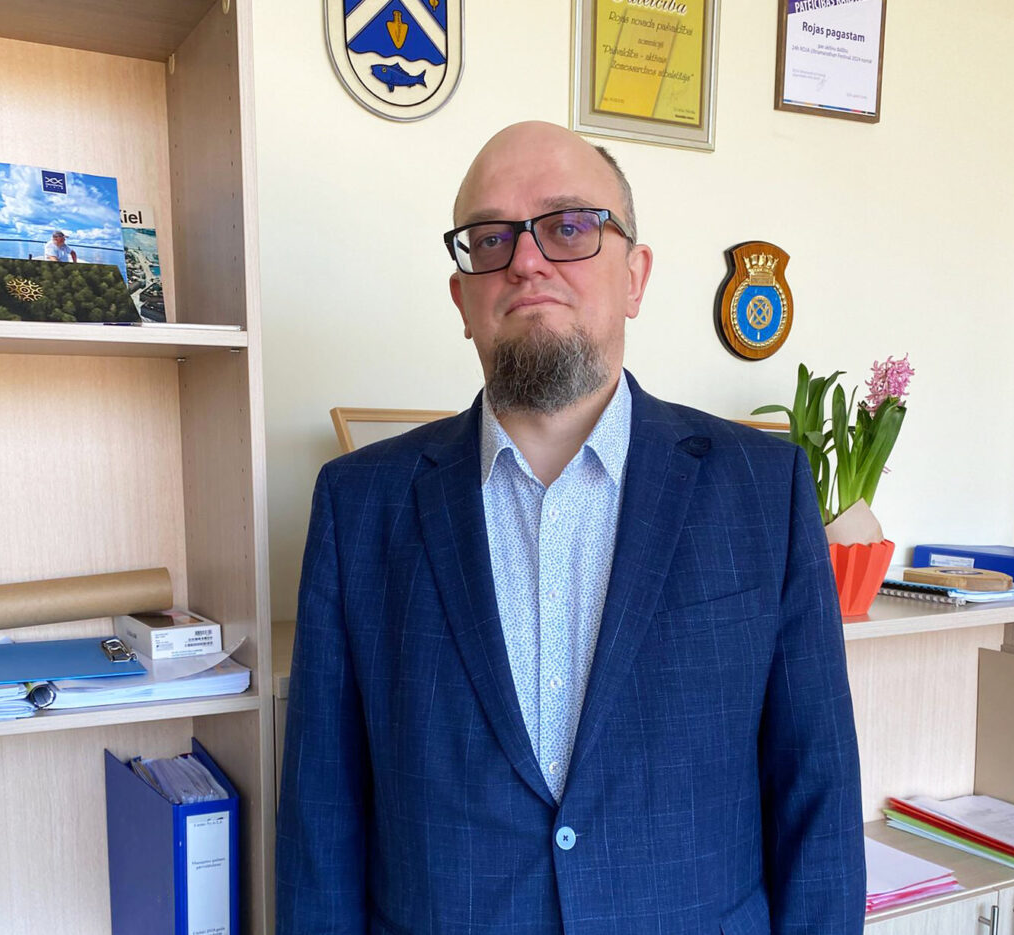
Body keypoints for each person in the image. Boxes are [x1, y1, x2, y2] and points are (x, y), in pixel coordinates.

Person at [277, 121, 865, 934]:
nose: (525, 260)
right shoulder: (358, 504)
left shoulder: (765, 491)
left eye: (569, 226)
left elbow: (818, 794)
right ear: (462, 299)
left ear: (635, 276)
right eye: (491, 238)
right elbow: (321, 818)